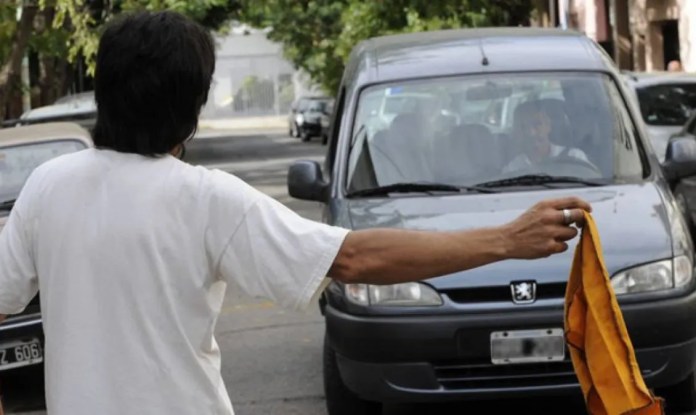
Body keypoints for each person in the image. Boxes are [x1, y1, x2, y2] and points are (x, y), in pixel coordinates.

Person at [0, 11, 591, 415]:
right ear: (193, 109)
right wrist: (506, 239)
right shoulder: (205, 199)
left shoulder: (48, 185)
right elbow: (355, 257)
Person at [503, 100, 590, 173]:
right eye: (523, 127)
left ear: (548, 126)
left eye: (537, 124)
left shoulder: (575, 158)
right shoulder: (512, 170)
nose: (531, 133)